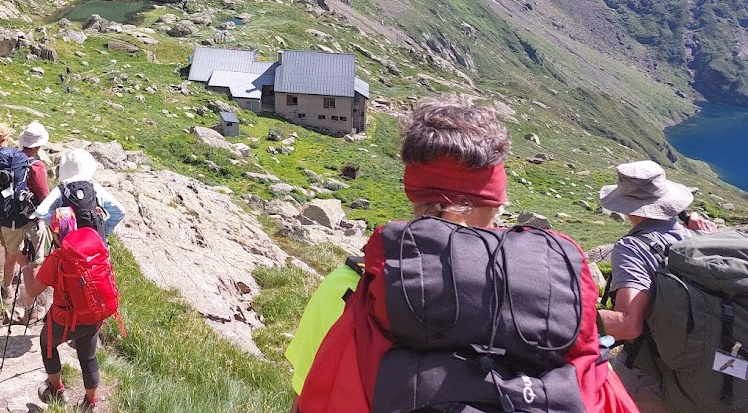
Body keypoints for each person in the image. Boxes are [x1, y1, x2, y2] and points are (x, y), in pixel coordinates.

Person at [286, 96, 638, 413]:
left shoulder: (351, 285)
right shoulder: (557, 285)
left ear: (412, 191)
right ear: (497, 200)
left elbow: (311, 395)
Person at [598, 160, 716, 413]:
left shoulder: (631, 248)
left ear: (629, 207)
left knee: (599, 394)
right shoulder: (700, 238)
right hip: (712, 370)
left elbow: (628, 324)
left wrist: (569, 316)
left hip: (654, 373)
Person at [21, 207, 119, 412]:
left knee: (47, 344)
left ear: (55, 233)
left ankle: (57, 390)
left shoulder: (57, 259)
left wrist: (26, 267)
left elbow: (32, 291)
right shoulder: (93, 246)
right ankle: (91, 403)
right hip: (93, 315)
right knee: (88, 357)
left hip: (63, 319)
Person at [0, 121, 51, 305]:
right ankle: (30, 304)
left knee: (10, 256)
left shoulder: (6, 160)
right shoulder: (36, 166)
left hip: (7, 218)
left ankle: (7, 289)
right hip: (31, 219)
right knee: (34, 264)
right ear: (38, 145)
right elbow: (45, 198)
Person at [36, 148, 126, 240]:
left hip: (69, 245)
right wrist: (105, 230)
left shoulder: (60, 190)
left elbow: (41, 212)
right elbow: (120, 212)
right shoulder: (95, 188)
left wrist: (58, 228)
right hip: (97, 244)